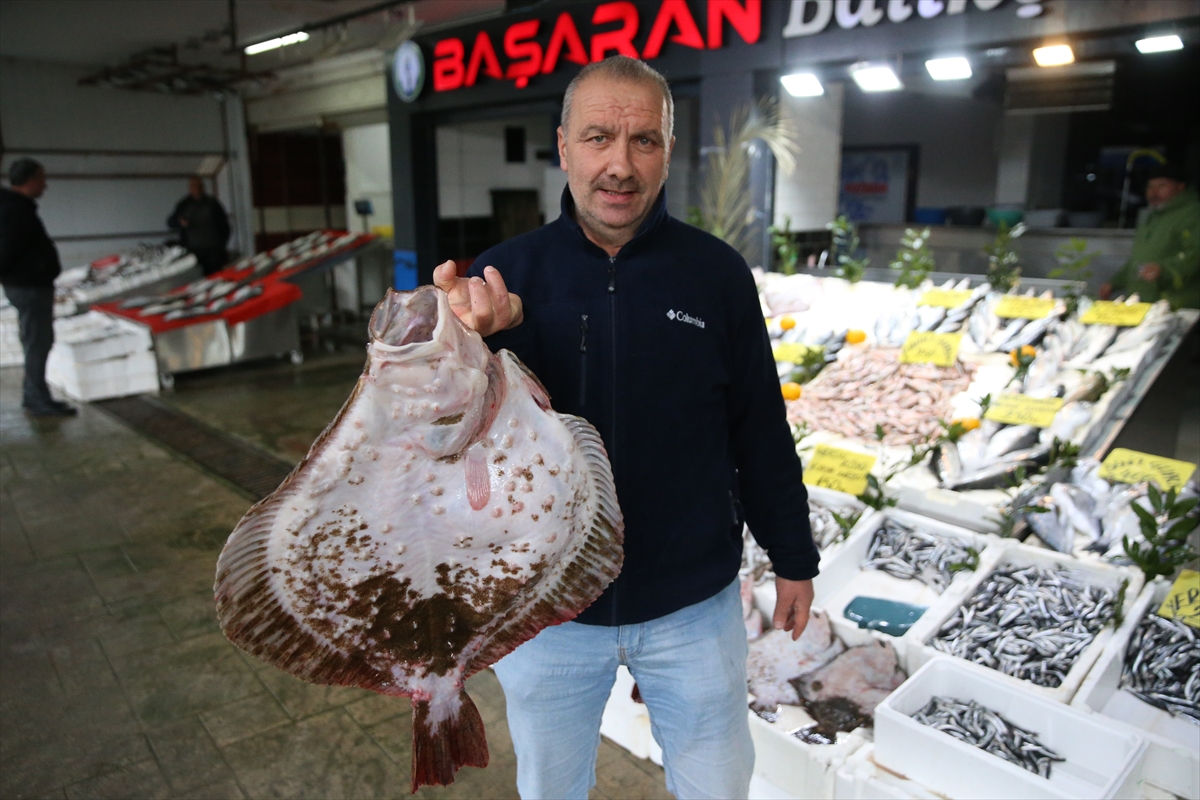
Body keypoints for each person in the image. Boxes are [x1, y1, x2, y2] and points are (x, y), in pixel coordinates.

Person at [433, 56, 818, 800]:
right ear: (564, 146)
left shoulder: (716, 274)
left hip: (692, 603)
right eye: (598, 137)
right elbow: (443, 441)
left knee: (717, 786)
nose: (620, 164)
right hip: (546, 609)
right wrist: (468, 340)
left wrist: (793, 555)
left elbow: (760, 429)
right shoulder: (504, 275)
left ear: (668, 150)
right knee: (551, 789)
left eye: (644, 140)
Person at [0, 158, 76, 417]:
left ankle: (34, 394)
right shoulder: (16, 210)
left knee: (35, 341)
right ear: (30, 180)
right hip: (29, 288)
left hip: (27, 285)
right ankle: (37, 399)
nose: (45, 184)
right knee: (38, 342)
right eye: (42, 179)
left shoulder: (16, 207)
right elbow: (6, 250)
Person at [1101, 162, 1200, 309]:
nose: (1153, 192)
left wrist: (1164, 270)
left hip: (1177, 304)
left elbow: (1196, 254)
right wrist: (1114, 282)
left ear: (1180, 187)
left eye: (1161, 186)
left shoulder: (1193, 214)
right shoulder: (1152, 216)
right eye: (1150, 187)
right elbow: (1139, 258)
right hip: (1144, 302)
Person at [168, 176, 231, 276]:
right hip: (193, 251)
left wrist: (221, 245)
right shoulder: (184, 204)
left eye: (198, 186)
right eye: (193, 186)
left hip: (213, 251)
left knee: (215, 277)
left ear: (203, 187)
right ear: (189, 188)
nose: (196, 189)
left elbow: (225, 226)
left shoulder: (212, 203)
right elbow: (170, 223)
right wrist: (179, 222)